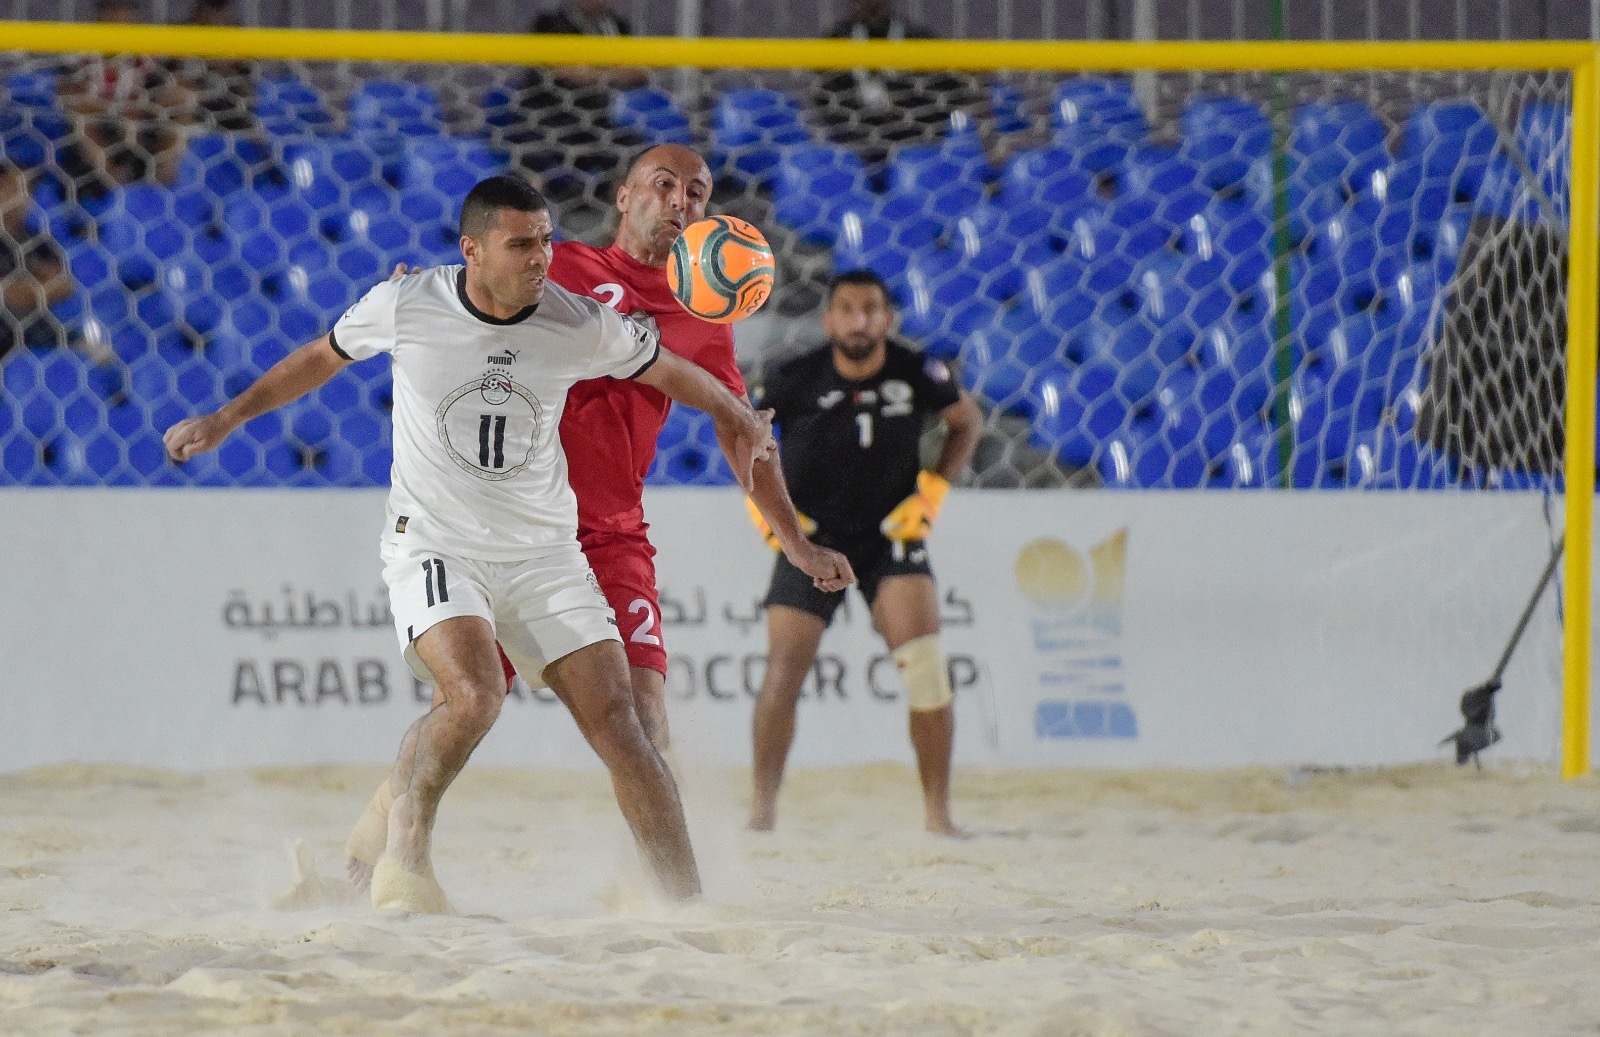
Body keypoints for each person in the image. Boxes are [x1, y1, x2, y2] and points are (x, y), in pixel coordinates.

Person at [164, 175, 779, 912]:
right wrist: (226, 419)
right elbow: (320, 358)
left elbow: (668, 369)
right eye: (521, 244)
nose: (540, 258)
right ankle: (407, 847)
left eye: (547, 240)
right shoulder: (408, 303)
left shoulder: (577, 320)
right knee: (476, 694)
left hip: (547, 555)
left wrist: (737, 412)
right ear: (473, 250)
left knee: (625, 727)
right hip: (436, 542)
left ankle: (686, 904)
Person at [496, 142, 854, 752]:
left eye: (696, 193)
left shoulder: (703, 313)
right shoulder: (560, 268)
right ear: (624, 196)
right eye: (664, 184)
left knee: (643, 719)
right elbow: (472, 308)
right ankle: (381, 842)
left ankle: (659, 853)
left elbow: (742, 429)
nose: (679, 201)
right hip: (515, 527)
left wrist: (795, 542)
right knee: (466, 706)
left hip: (612, 534)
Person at [746, 269, 984, 837]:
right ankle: (761, 812)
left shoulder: (917, 370)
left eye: (871, 309)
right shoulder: (793, 378)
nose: (860, 320)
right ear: (828, 320)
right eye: (847, 309)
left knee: (926, 667)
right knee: (783, 672)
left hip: (890, 534)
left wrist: (932, 494)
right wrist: (768, 514)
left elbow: (966, 422)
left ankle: (938, 818)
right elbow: (742, 436)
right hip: (812, 538)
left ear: (888, 318)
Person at [505, 0, 648, 187]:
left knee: (636, 161)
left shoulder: (616, 25)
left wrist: (593, 72)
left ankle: (619, 213)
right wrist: (610, 69)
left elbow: (639, 72)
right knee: (530, 168)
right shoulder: (549, 23)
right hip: (546, 119)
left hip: (597, 122)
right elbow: (562, 70)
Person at [0, 162, 83, 362]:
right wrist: (37, 286)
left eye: (29, 188)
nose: (26, 196)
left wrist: (27, 290)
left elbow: (65, 286)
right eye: (17, 188)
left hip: (41, 334)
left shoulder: (36, 239)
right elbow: (11, 297)